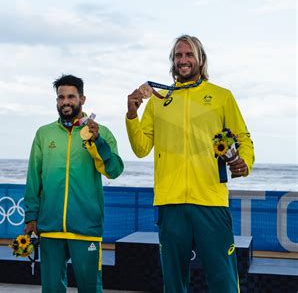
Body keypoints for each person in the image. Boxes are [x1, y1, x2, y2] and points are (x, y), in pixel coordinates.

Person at [125, 35, 254, 293]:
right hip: (170, 202)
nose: (183, 60)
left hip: (210, 200)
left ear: (200, 60)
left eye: (188, 55)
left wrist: (244, 162)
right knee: (174, 283)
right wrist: (131, 115)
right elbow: (141, 148)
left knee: (223, 280)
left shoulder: (221, 96)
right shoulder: (159, 100)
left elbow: (243, 139)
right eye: (178, 55)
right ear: (173, 62)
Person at [24, 74, 124, 293]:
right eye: (60, 97)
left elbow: (114, 170)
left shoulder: (101, 132)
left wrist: (97, 141)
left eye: (71, 96)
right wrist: (31, 216)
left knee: (90, 288)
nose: (65, 102)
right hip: (50, 227)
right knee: (51, 289)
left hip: (86, 227)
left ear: (82, 99)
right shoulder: (44, 133)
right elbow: (34, 177)